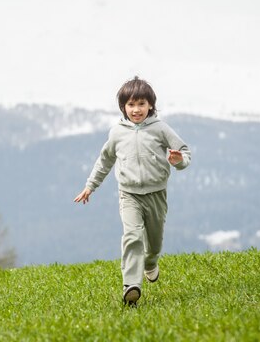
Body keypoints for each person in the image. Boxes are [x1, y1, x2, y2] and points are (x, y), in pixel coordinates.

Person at [73, 76, 191, 306]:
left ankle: (150, 262)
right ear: (123, 107)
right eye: (131, 105)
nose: (136, 110)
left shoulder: (160, 129)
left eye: (141, 104)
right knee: (132, 236)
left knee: (154, 243)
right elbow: (105, 161)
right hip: (129, 195)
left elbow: (184, 152)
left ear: (150, 106)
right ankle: (131, 286)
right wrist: (90, 186)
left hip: (156, 193)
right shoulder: (117, 132)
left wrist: (178, 161)